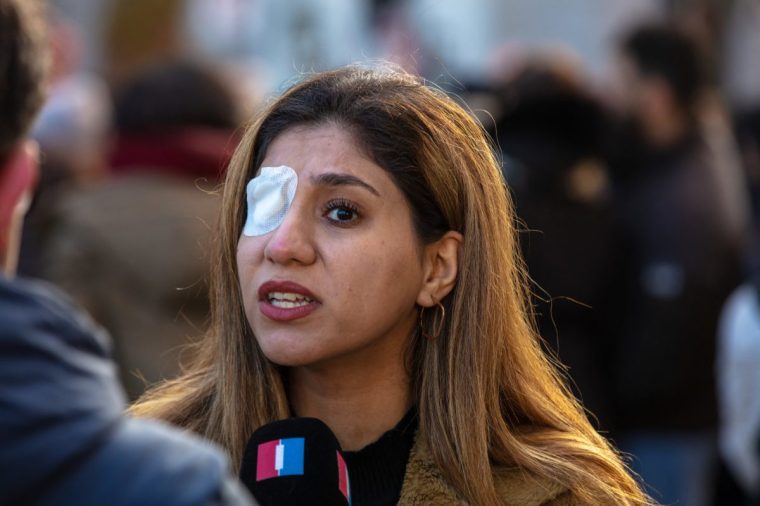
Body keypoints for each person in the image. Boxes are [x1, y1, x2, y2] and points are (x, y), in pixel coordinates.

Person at [131, 65, 651, 505]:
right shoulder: (142, 471)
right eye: (265, 206)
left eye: (341, 211)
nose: (282, 245)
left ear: (438, 267)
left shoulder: (556, 494)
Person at [0, 0, 254, 503]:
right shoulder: (260, 222)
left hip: (113, 421)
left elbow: (74, 311)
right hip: (244, 437)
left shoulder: (87, 217)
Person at [39, 60, 240, 399]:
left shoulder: (81, 218)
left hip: (126, 429)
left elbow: (67, 350)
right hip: (251, 432)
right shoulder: (261, 217)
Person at [606, 23, 746, 506]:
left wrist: (612, 401)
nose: (613, 93)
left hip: (666, 428)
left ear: (657, 94)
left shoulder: (686, 200)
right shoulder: (670, 164)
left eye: (624, 80)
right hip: (666, 421)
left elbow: (671, 334)